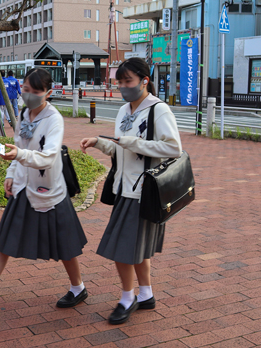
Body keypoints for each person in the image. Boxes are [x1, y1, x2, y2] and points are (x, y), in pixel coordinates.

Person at [0, 68, 89, 311]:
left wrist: (19, 155)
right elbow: (17, 146)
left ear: (48, 93)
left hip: (48, 190)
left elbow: (49, 156)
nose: (29, 95)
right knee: (5, 241)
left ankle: (78, 288)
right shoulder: (23, 113)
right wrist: (11, 174)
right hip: (22, 187)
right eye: (26, 90)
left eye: (35, 91)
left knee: (65, 245)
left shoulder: (54, 119)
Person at [79, 57, 181, 325]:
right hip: (125, 188)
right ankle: (145, 294)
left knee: (121, 249)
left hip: (143, 190)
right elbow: (121, 147)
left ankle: (128, 298)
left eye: (129, 81)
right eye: (120, 82)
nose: (124, 86)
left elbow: (173, 148)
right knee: (136, 249)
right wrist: (100, 142)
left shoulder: (158, 110)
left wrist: (134, 143)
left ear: (145, 81)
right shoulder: (124, 110)